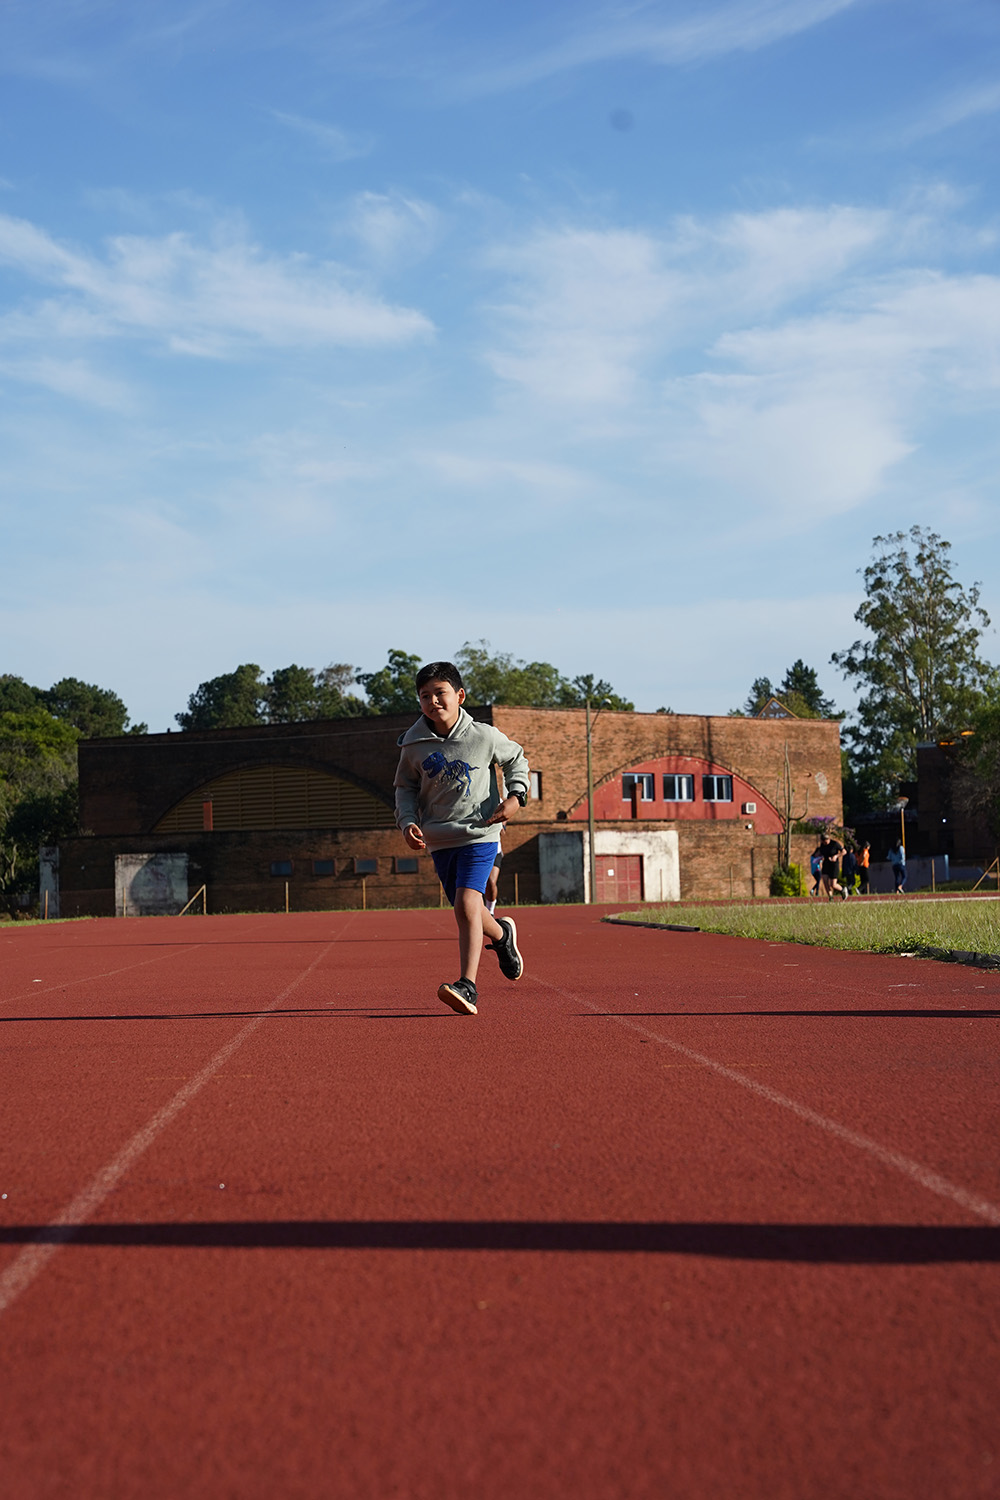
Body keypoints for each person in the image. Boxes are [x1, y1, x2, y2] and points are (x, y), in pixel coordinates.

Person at [394, 661, 530, 1015]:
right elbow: (405, 788)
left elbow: (516, 758)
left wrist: (516, 797)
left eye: (440, 693)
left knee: (466, 903)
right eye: (425, 696)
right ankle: (502, 935)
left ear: (460, 696)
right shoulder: (413, 745)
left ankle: (467, 986)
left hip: (481, 832)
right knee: (467, 908)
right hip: (439, 839)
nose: (433, 701)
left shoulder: (483, 736)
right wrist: (407, 822)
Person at [819, 832, 844, 901]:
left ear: (828, 839)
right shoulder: (822, 845)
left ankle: (842, 890)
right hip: (826, 864)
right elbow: (822, 854)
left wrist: (836, 856)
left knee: (833, 884)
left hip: (834, 864)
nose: (824, 843)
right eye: (823, 841)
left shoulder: (834, 844)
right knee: (825, 880)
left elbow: (844, 851)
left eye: (825, 841)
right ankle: (830, 897)